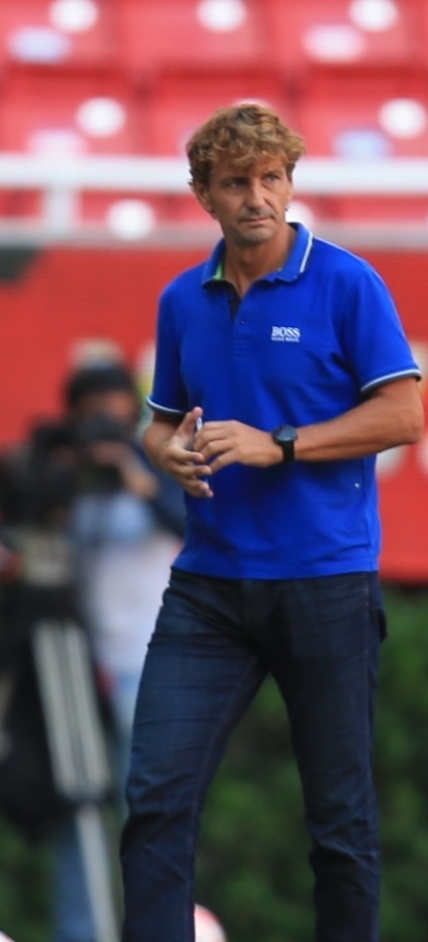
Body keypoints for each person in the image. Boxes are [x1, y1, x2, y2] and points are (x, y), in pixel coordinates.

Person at [120, 103, 423, 942]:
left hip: (325, 580)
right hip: (209, 588)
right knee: (155, 797)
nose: (257, 197)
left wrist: (278, 444)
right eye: (236, 183)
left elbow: (402, 417)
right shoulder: (183, 299)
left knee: (340, 820)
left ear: (290, 182)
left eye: (271, 179)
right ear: (203, 196)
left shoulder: (348, 282)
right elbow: (159, 422)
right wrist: (165, 452)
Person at [53, 363, 185, 942]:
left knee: (149, 815)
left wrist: (142, 479)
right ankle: (81, 933)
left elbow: (196, 525)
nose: (105, 427)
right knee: (76, 812)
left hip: (147, 662)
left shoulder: (161, 463)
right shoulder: (66, 475)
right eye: (93, 415)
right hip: (74, 667)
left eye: (115, 412)